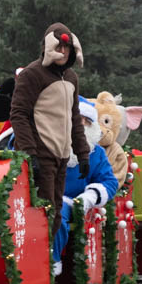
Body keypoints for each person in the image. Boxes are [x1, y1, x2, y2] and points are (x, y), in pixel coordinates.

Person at [10, 23, 90, 208]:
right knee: (43, 212)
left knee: (55, 212)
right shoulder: (32, 74)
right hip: (40, 153)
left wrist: (82, 154)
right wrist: (30, 154)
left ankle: (53, 239)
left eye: (66, 47)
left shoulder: (71, 78)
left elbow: (74, 116)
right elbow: (18, 114)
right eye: (58, 47)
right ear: (48, 47)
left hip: (61, 156)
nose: (62, 51)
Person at [52, 97, 120, 274]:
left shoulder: (96, 153)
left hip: (75, 204)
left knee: (56, 214)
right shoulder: (52, 145)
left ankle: (51, 266)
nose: (81, 127)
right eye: (77, 121)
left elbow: (110, 182)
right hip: (44, 196)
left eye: (87, 122)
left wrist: (90, 197)